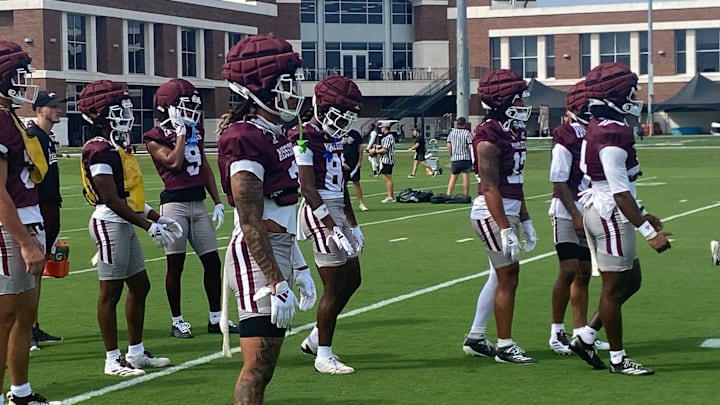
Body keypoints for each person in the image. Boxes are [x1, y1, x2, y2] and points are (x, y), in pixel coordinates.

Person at [217, 34, 313, 404]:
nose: (295, 92)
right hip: (258, 256)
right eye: (287, 84)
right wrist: (276, 281)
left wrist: (299, 266)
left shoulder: (275, 132)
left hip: (279, 248)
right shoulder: (245, 138)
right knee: (257, 367)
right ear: (263, 88)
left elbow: (282, 213)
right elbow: (251, 220)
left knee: (267, 364)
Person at [570, 62, 671, 375]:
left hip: (606, 211)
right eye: (630, 90)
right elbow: (618, 192)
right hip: (610, 215)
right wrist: (647, 231)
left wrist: (641, 214)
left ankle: (586, 336)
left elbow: (621, 190)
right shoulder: (612, 135)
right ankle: (618, 358)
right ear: (616, 95)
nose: (634, 95)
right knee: (613, 292)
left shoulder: (601, 125)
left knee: (632, 281)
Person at [78, 79, 178, 377]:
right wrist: (148, 225)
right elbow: (110, 199)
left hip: (123, 222)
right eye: (119, 109)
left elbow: (128, 196)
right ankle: (112, 359)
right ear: (102, 113)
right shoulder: (99, 149)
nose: (127, 114)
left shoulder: (117, 146)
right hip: (109, 224)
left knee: (140, 285)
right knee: (110, 292)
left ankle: (136, 353)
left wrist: (156, 217)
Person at [144, 78, 237, 339]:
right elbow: (173, 163)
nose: (191, 110)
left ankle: (216, 317)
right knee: (176, 265)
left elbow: (204, 166)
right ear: (169, 107)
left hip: (198, 204)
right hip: (174, 205)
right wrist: (181, 131)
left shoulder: (194, 129)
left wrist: (217, 200)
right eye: (185, 105)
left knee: (212, 262)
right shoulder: (155, 136)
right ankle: (177, 320)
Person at [0, 39, 63, 405]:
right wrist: (24, 241)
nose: (26, 82)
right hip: (12, 229)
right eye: (20, 75)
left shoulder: (9, 115)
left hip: (29, 220)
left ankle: (20, 392)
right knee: (6, 317)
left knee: (25, 317)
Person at [462, 69, 538, 364]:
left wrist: (526, 218)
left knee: (498, 275)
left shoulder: (514, 129)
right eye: (518, 99)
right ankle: (505, 345)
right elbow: (490, 187)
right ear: (504, 100)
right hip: (492, 212)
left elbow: (515, 182)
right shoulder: (489, 135)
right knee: (509, 276)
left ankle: (476, 337)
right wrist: (505, 228)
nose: (522, 105)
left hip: (508, 208)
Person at [291, 75, 364, 375]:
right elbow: (308, 188)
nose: (340, 123)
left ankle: (313, 339)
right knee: (333, 287)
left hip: (336, 209)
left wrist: (353, 223)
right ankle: (324, 354)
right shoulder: (304, 136)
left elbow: (342, 186)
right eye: (336, 115)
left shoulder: (333, 137)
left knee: (353, 279)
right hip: (318, 212)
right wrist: (333, 226)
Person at [547, 80, 609, 355]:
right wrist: (574, 214)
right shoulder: (566, 134)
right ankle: (556, 331)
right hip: (567, 209)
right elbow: (558, 181)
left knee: (584, 272)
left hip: (590, 208)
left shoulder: (596, 132)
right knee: (568, 269)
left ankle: (581, 332)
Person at [26, 91, 66, 350]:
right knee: (32, 274)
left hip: (51, 206)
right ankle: (26, 329)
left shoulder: (47, 138)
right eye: (52, 106)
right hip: (38, 208)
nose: (57, 110)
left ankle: (33, 325)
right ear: (39, 109)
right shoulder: (32, 136)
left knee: (40, 273)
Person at [446, 117, 473, 197]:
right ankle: (466, 195)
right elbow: (470, 146)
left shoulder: (452, 133)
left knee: (453, 178)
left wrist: (451, 154)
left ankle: (448, 194)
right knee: (466, 178)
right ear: (465, 124)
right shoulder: (467, 133)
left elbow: (448, 145)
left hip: (455, 159)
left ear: (457, 124)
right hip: (465, 158)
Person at [342, 128, 368, 211]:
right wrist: (342, 162)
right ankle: (343, 204)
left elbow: (360, 148)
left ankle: (361, 203)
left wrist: (360, 161)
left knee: (356, 183)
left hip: (354, 162)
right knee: (342, 185)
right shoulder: (338, 133)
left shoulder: (355, 133)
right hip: (343, 162)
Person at [370, 124, 395, 203]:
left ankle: (390, 196)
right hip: (385, 160)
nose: (381, 129)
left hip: (387, 160)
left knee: (388, 178)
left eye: (382, 128)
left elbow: (385, 150)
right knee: (385, 178)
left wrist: (375, 151)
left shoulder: (389, 137)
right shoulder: (386, 137)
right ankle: (389, 195)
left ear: (385, 128)